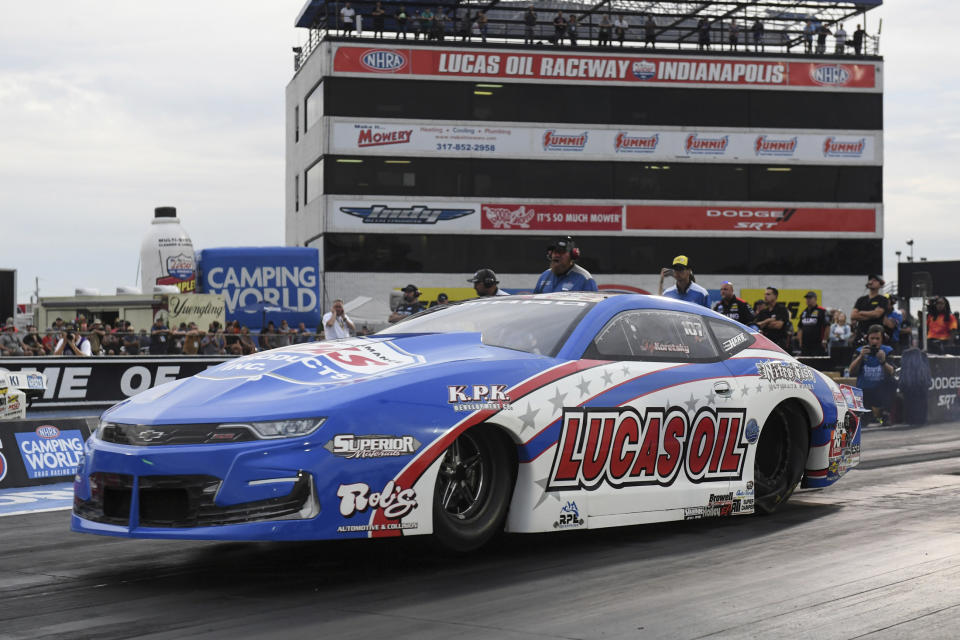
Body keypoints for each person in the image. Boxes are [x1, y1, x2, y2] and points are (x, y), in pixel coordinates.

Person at [849, 324, 895, 424]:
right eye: (872, 338)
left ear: (882, 339)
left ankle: (886, 413)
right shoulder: (860, 351)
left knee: (892, 382)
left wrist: (883, 362)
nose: (874, 341)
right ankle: (866, 414)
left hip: (880, 390)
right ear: (867, 338)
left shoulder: (887, 351)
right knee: (864, 422)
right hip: (865, 391)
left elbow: (892, 371)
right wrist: (860, 357)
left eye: (877, 338)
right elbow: (851, 371)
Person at [533, 237, 598, 293]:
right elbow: (534, 302)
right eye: (554, 252)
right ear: (550, 255)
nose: (557, 255)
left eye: (561, 252)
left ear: (572, 256)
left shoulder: (584, 279)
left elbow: (595, 306)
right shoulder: (545, 276)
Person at [851, 274, 889, 345]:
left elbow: (877, 314)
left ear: (880, 285)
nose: (871, 282)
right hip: (861, 334)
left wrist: (861, 312)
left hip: (876, 335)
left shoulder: (883, 299)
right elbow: (853, 315)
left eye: (875, 280)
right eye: (870, 280)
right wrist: (871, 314)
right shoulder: (861, 300)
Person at [899, 348, 931, 425]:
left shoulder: (906, 361)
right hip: (920, 386)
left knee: (910, 402)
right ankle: (919, 419)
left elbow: (902, 382)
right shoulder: (922, 361)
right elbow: (927, 380)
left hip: (909, 387)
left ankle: (911, 419)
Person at [797, 291, 829, 356]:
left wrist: (825, 340)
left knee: (816, 363)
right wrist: (800, 342)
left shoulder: (822, 311)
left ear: (815, 299)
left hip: (818, 344)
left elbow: (827, 326)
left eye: (810, 298)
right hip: (805, 345)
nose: (808, 300)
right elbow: (800, 328)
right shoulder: (804, 312)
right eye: (807, 298)